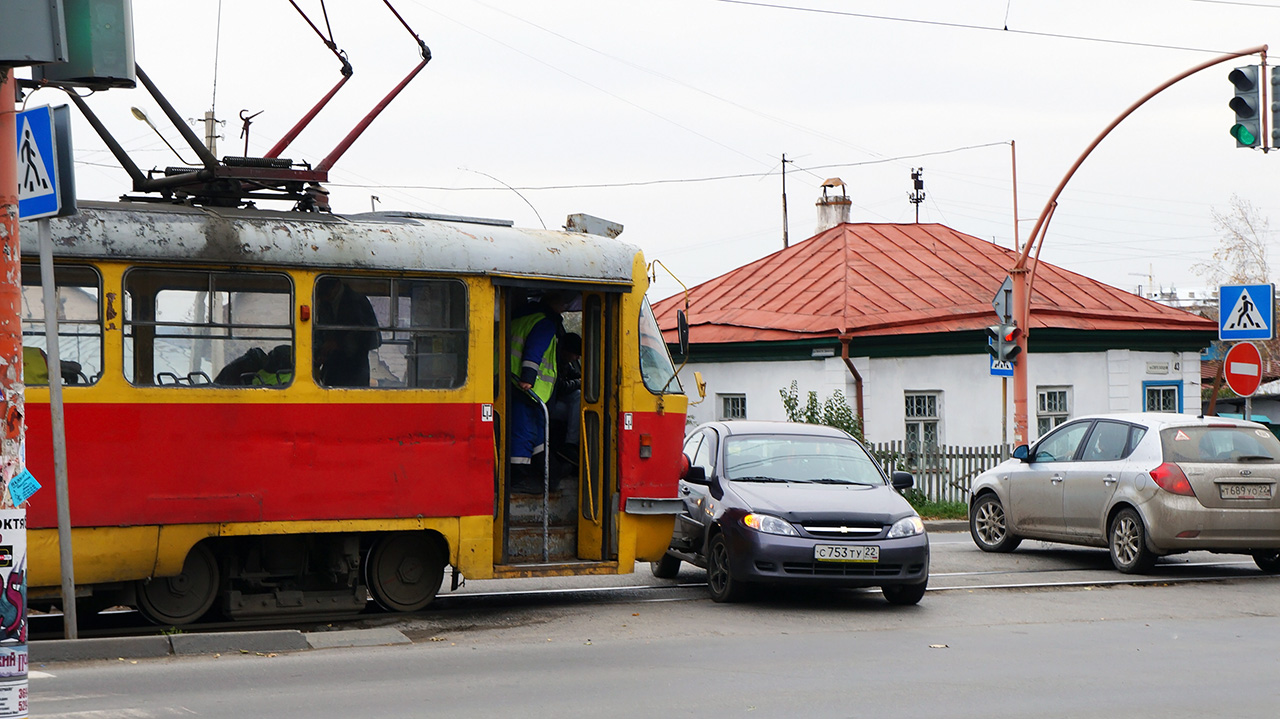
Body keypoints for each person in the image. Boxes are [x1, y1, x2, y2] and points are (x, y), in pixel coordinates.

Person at [508, 292, 570, 494]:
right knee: (525, 432)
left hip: (510, 380)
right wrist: (528, 377)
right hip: (528, 388)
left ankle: (546, 473)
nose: (564, 307)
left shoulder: (522, 317)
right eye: (563, 303)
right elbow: (534, 350)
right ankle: (520, 478)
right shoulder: (546, 322)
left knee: (535, 432)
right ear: (554, 303)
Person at [314, 278, 381, 387]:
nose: (324, 298)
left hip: (354, 371)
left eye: (326, 293)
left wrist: (338, 344)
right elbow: (320, 331)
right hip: (331, 370)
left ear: (336, 286)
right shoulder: (325, 304)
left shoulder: (358, 302)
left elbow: (372, 337)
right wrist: (320, 351)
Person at [550, 332, 583, 478]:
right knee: (577, 400)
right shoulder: (554, 361)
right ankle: (570, 444)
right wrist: (579, 382)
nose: (577, 358)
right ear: (566, 351)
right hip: (550, 404)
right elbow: (561, 387)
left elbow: (576, 375)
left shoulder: (565, 363)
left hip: (556, 401)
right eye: (576, 354)